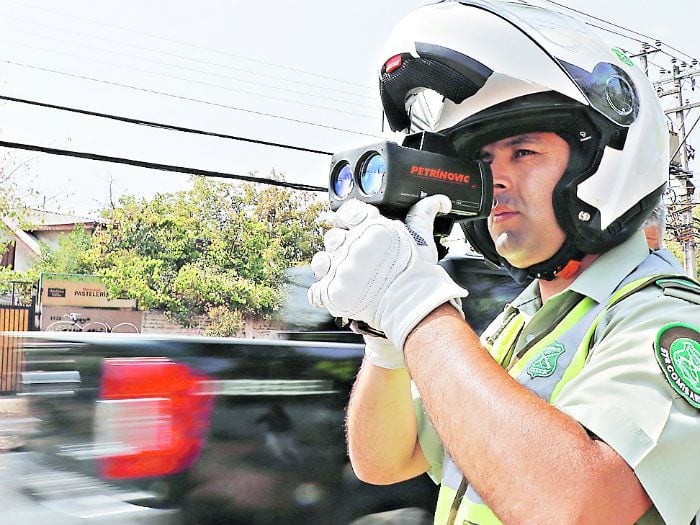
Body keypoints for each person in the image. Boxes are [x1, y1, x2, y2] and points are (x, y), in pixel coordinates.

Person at [308, 2, 700, 524]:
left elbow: (577, 508)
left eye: (523, 153)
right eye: (483, 161)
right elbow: (384, 461)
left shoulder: (666, 320)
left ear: (602, 161)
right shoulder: (513, 326)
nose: (494, 181)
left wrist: (416, 307)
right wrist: (386, 343)